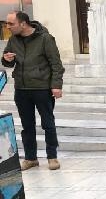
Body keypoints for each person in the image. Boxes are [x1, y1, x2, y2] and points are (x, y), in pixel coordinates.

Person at [1, 11, 64, 171]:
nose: (7, 27)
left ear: (23, 24)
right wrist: (6, 59)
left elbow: (56, 64)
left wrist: (56, 85)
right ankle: (31, 158)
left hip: (42, 88)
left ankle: (52, 157)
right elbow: (8, 62)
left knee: (48, 123)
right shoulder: (13, 40)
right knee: (27, 125)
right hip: (21, 89)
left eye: (10, 24)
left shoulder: (45, 39)